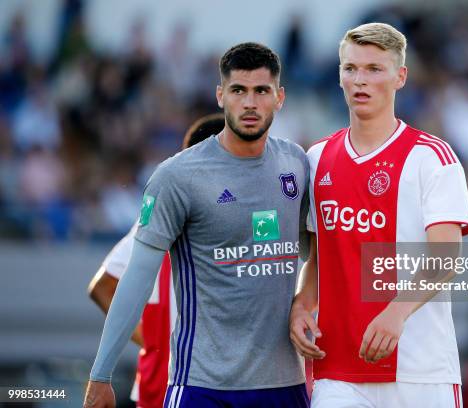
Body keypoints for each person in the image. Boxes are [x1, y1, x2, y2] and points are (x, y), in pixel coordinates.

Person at [84, 42, 310, 408]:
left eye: (261, 91)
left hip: (285, 386)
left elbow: (317, 252)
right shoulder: (178, 176)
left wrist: (305, 304)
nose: (250, 103)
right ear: (221, 95)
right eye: (238, 90)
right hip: (203, 386)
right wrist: (101, 373)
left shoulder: (296, 164)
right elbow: (134, 280)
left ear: (279, 97)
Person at [289, 23, 468, 407]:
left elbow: (446, 257)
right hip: (337, 370)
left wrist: (396, 312)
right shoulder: (316, 158)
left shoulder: (431, 158)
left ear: (400, 76)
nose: (360, 80)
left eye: (374, 69)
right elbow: (319, 258)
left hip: (420, 369)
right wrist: (302, 305)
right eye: (351, 68)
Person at [87, 113, 225, 408]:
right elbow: (102, 287)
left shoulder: (156, 217)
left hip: (159, 385)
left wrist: (152, 340)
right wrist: (152, 339)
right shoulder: (219, 219)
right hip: (187, 384)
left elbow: (102, 286)